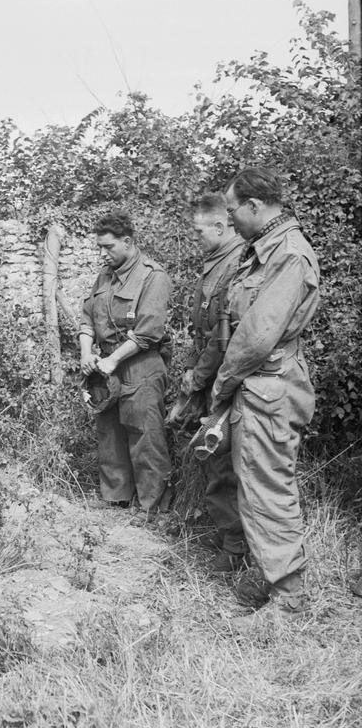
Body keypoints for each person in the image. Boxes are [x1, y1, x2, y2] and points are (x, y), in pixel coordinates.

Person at [211, 167, 319, 627]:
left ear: (255, 206)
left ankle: (288, 597)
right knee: (253, 486)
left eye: (232, 210)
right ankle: (272, 575)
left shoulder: (288, 254)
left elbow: (255, 336)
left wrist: (220, 386)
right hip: (256, 383)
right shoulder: (263, 250)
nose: (230, 219)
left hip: (267, 385)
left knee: (267, 488)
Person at [79, 211, 172, 514]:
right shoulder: (105, 275)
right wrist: (86, 354)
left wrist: (113, 360)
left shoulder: (152, 276)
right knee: (110, 434)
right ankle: (116, 499)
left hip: (140, 365)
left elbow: (147, 332)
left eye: (108, 247)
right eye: (99, 248)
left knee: (145, 437)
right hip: (107, 367)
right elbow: (87, 318)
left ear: (128, 242)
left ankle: (151, 507)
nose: (102, 254)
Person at [180, 193, 246, 571]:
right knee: (215, 461)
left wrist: (198, 376)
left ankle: (235, 547)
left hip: (226, 380)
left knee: (222, 463)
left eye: (199, 231)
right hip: (212, 375)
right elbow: (201, 330)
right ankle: (228, 537)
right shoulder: (215, 263)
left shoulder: (235, 264)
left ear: (221, 227)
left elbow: (223, 339)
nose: (196, 238)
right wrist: (193, 368)